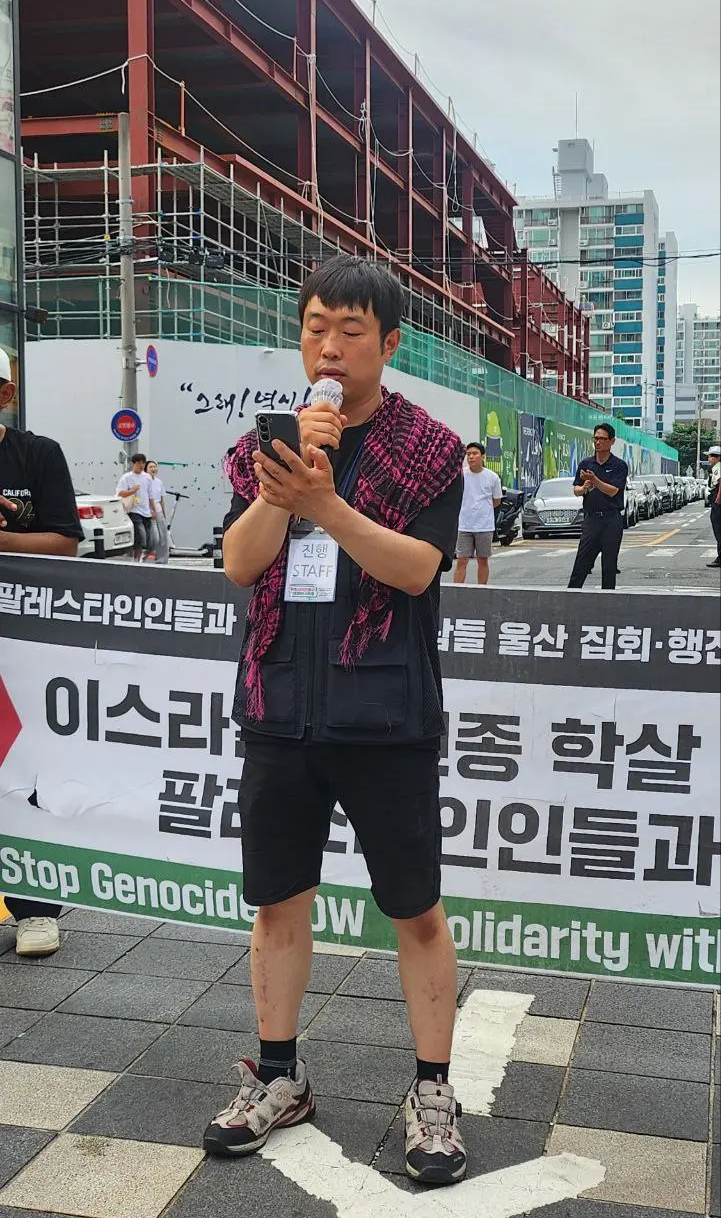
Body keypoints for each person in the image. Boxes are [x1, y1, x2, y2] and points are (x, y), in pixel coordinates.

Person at [205, 255, 468, 1186]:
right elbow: (240, 564)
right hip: (279, 706)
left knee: (414, 909)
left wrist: (326, 504)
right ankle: (278, 1076)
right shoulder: (269, 441)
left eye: (350, 331)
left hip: (385, 710)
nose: (328, 346)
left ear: (387, 344)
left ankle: (431, 1090)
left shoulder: (430, 447)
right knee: (277, 901)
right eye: (315, 327)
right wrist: (280, 493)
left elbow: (416, 569)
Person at [0, 347, 83, 955]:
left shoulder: (38, 454)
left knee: (26, 764)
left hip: (23, 639)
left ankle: (34, 906)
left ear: (6, 394)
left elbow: (64, 541)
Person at [568, 422, 628, 591]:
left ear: (612, 441)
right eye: (596, 438)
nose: (598, 442)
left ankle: (607, 600)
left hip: (611, 520)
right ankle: (570, 597)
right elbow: (576, 490)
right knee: (581, 564)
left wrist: (595, 480)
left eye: (602, 438)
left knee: (609, 566)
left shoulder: (619, 465)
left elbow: (613, 491)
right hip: (591, 520)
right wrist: (584, 487)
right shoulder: (586, 464)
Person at [453, 441, 502, 585]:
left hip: (484, 526)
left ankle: (481, 590)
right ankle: (458, 591)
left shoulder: (492, 477)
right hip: (464, 525)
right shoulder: (461, 475)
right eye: (468, 454)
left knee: (482, 560)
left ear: (483, 456)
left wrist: (482, 510)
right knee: (462, 560)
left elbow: (496, 500)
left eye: (475, 454)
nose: (471, 457)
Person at [116, 452, 155, 561]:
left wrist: (154, 510)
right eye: (138, 463)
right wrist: (132, 490)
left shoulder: (147, 477)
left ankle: (139, 558)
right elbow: (120, 493)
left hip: (146, 511)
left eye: (143, 463)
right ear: (133, 464)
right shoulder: (126, 477)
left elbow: (151, 495)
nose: (141, 465)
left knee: (150, 540)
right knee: (140, 537)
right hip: (134, 510)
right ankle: (136, 560)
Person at [146, 460, 170, 564]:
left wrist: (164, 513)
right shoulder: (144, 482)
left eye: (154, 467)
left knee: (163, 536)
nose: (153, 469)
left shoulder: (159, 482)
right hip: (149, 512)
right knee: (154, 537)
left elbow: (161, 499)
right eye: (150, 467)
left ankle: (163, 560)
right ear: (146, 470)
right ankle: (145, 556)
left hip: (159, 510)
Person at [706, 445, 721, 568]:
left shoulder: (718, 467)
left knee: (719, 531)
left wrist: (717, 501)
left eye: (711, 456)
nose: (709, 459)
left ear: (718, 458)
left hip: (718, 504)